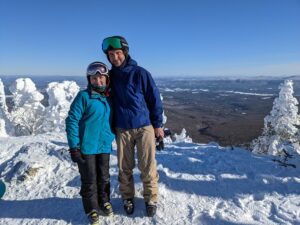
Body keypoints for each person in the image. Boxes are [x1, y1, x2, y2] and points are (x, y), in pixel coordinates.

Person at [101, 36, 164, 217]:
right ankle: (127, 197)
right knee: (124, 166)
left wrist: (158, 125)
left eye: (118, 53)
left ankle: (150, 198)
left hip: (144, 126)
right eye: (111, 55)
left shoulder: (140, 73)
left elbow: (154, 99)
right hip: (122, 128)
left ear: (125, 53)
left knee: (147, 165)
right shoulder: (110, 77)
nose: (115, 57)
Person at [65, 62, 115, 224]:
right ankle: (92, 209)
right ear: (89, 80)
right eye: (94, 78)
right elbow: (72, 120)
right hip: (87, 147)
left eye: (101, 78)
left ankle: (104, 201)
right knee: (90, 179)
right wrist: (74, 147)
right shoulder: (83, 97)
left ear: (106, 79)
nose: (98, 81)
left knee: (104, 177)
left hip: (104, 146)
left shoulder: (109, 98)